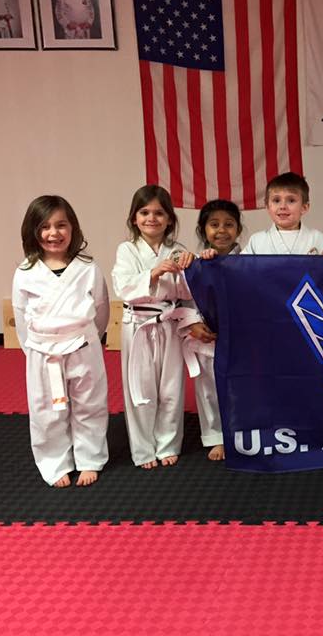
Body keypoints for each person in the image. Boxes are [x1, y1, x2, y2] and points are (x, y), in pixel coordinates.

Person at [12, 195, 109, 487]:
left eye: (61, 225)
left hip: (82, 343)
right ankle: (55, 463)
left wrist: (88, 338)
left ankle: (90, 458)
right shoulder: (25, 273)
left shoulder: (88, 268)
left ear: (73, 228)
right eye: (44, 227)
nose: (53, 233)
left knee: (89, 404)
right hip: (43, 349)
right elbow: (20, 318)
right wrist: (33, 348)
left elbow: (102, 310)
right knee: (46, 409)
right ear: (33, 231)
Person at [112, 185, 196, 469]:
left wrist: (190, 267)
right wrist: (154, 271)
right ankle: (143, 449)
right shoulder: (126, 250)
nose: (152, 218)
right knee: (139, 386)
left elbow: (187, 291)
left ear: (170, 219)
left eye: (159, 213)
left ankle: (168, 443)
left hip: (169, 323)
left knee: (171, 386)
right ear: (134, 218)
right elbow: (123, 287)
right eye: (144, 212)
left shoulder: (178, 250)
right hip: (137, 324)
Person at [184, 199, 244, 461]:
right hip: (208, 335)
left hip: (243, 334)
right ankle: (215, 436)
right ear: (202, 230)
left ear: (239, 230)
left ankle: (242, 432)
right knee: (209, 388)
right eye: (214, 224)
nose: (222, 230)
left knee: (242, 386)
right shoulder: (195, 265)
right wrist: (194, 322)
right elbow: (185, 298)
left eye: (229, 224)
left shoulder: (250, 262)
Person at [242, 172, 323, 258]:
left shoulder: (317, 238)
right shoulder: (257, 240)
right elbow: (240, 267)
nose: (282, 206)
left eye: (291, 200)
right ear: (268, 206)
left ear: (304, 207)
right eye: (276, 200)